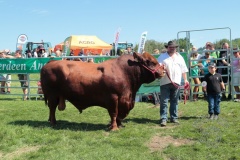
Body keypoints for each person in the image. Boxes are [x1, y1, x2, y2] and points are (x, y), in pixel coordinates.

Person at [157, 41, 189, 126]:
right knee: (164, 101)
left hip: (177, 82)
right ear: (167, 47)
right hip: (165, 82)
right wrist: (162, 68)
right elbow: (158, 68)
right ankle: (163, 118)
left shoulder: (180, 57)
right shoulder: (162, 57)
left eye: (173, 47)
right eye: (170, 47)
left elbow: (184, 70)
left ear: (176, 48)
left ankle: (174, 117)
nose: (172, 48)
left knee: (175, 101)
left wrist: (185, 80)